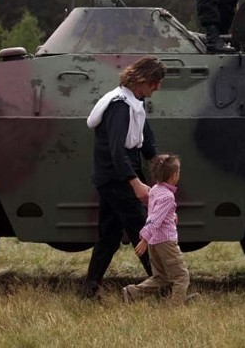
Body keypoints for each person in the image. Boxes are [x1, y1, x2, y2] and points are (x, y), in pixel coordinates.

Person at [79, 56, 168, 299]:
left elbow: (145, 140)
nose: (157, 87)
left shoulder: (136, 101)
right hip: (117, 177)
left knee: (109, 236)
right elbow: (117, 150)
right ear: (142, 80)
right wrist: (136, 183)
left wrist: (159, 162)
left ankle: (88, 291)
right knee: (143, 230)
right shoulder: (120, 105)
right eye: (155, 82)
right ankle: (165, 290)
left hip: (115, 176)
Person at [123, 153, 195, 305]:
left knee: (161, 277)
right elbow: (154, 219)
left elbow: (157, 210)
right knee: (181, 277)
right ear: (174, 175)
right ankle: (176, 306)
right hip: (166, 242)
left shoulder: (155, 189)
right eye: (179, 172)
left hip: (154, 243)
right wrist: (144, 239)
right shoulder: (168, 196)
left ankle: (132, 293)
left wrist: (172, 214)